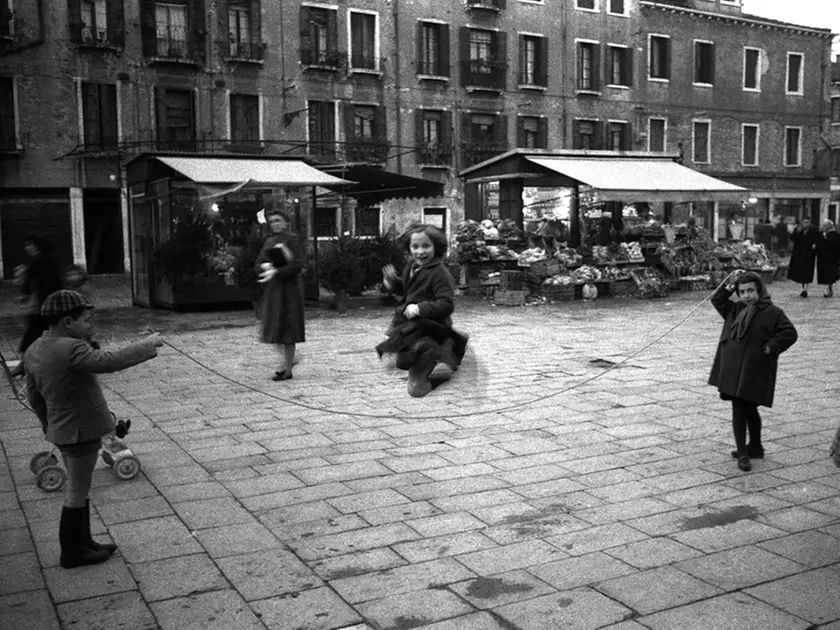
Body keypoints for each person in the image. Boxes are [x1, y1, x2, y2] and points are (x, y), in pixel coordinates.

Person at [23, 290, 163, 569]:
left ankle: (85, 543)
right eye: (85, 320)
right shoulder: (71, 348)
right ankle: (73, 552)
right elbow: (107, 361)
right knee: (77, 490)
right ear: (66, 322)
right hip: (81, 430)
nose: (90, 325)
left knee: (81, 489)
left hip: (62, 430)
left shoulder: (35, 349)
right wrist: (147, 345)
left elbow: (34, 396)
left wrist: (48, 425)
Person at [708, 271, 797, 472]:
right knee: (741, 407)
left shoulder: (772, 313)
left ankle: (749, 451)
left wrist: (770, 347)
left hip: (753, 368)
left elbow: (789, 333)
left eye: (751, 291)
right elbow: (717, 299)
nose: (747, 295)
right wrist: (729, 286)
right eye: (742, 291)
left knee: (747, 407)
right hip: (733, 367)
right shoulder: (735, 309)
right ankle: (748, 449)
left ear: (759, 290)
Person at [376, 224, 468, 398]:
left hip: (430, 327)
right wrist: (392, 283)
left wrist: (420, 308)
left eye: (426, 246)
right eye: (415, 247)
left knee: (410, 355)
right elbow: (408, 291)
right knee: (413, 383)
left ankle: (445, 355)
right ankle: (421, 361)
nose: (420, 252)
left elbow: (447, 304)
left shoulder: (439, 273)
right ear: (409, 249)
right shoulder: (412, 266)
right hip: (409, 323)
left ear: (436, 247)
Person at [255, 209, 305, 381]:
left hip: (290, 291)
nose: (275, 224)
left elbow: (298, 264)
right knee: (274, 327)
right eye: (272, 221)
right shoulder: (269, 241)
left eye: (278, 220)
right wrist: (266, 267)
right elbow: (259, 262)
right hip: (274, 291)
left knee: (288, 328)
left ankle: (288, 369)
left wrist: (279, 269)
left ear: (286, 223)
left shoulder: (292, 240)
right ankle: (290, 361)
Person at [14, 233, 65, 359]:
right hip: (55, 303)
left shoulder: (37, 263)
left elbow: (26, 288)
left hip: (41, 305)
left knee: (33, 334)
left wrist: (21, 277)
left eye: (29, 245)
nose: (27, 248)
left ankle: (25, 363)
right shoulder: (53, 261)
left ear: (37, 246)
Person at [786, 217, 819, 297]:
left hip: (809, 254)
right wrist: (796, 232)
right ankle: (803, 288)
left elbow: (818, 239)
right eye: (804, 222)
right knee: (801, 272)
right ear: (802, 223)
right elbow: (792, 238)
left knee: (807, 272)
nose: (806, 224)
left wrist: (815, 246)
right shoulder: (798, 229)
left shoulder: (813, 230)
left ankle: (805, 289)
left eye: (807, 222)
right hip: (799, 254)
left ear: (810, 223)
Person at [816, 220, 840, 298]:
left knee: (829, 274)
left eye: (824, 225)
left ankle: (827, 290)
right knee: (825, 275)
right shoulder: (821, 235)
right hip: (822, 258)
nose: (823, 227)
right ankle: (829, 289)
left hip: (832, 258)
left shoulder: (835, 235)